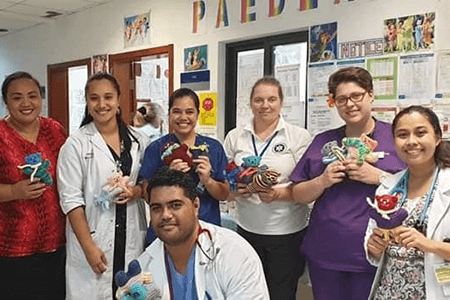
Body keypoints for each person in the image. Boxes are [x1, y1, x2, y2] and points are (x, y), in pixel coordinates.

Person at [290, 67, 406, 300]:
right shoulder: (324, 142)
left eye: (357, 96)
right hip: (327, 251)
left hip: (375, 251)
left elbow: (420, 186)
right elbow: (298, 194)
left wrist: (378, 177)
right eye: (341, 99)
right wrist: (323, 180)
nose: (350, 104)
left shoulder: (396, 137)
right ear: (334, 103)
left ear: (371, 95)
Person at [57, 73, 150, 299]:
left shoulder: (139, 140)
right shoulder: (75, 144)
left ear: (118, 100)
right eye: (94, 98)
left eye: (108, 97)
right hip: (93, 238)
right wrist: (88, 248)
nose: (102, 104)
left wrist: (136, 191)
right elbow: (71, 201)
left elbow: (149, 184)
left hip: (131, 237)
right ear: (87, 103)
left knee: (131, 291)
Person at [223, 77, 311, 299]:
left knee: (281, 293)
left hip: (287, 233)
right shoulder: (235, 136)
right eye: (258, 100)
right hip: (246, 230)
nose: (265, 105)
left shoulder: (298, 137)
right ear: (251, 103)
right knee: (247, 292)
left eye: (272, 99)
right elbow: (224, 177)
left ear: (281, 102)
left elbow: (308, 185)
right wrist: (233, 191)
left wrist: (277, 194)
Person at [136, 167, 269, 299]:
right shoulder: (144, 265)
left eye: (175, 205)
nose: (165, 215)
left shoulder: (234, 253)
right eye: (156, 208)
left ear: (195, 206)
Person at [365, 106, 450, 300]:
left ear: (437, 138)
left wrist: (428, 245)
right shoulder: (388, 186)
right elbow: (372, 245)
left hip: (433, 292)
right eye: (402, 135)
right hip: (388, 291)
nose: (411, 141)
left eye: (421, 133)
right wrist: (375, 246)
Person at [0, 71, 67, 299]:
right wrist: (13, 191)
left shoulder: (54, 130)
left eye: (33, 95)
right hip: (12, 250)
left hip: (57, 244)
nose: (26, 103)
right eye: (17, 97)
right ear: (6, 102)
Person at [139, 88, 229, 244]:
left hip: (205, 229)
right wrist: (167, 176)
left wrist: (208, 180)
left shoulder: (213, 148)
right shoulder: (156, 149)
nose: (183, 117)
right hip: (166, 230)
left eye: (189, 112)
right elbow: (147, 196)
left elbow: (224, 194)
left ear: (197, 114)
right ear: (169, 114)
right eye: (177, 111)